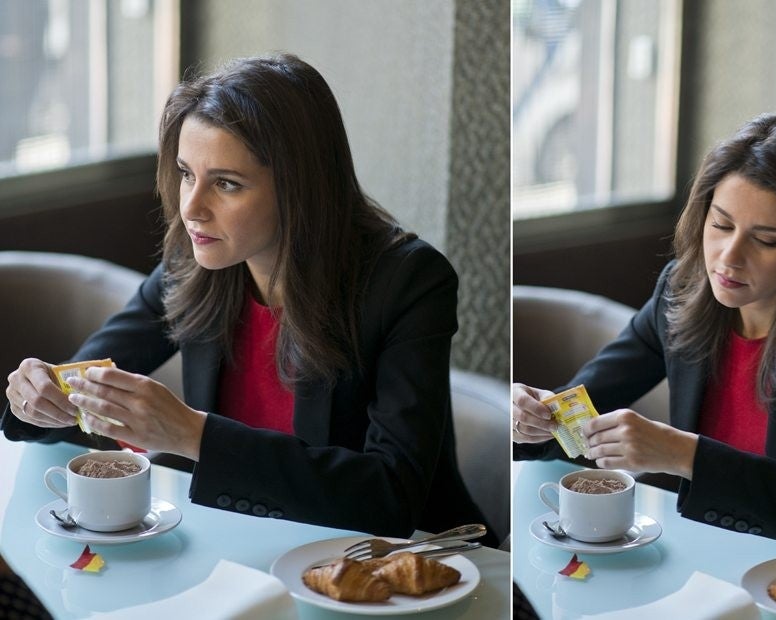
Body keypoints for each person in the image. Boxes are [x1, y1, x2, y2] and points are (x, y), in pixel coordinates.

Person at [2, 53, 493, 544]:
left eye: (226, 184)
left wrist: (192, 434)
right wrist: (38, 399)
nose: (191, 208)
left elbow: (390, 498)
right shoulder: (195, 260)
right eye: (186, 173)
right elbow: (79, 385)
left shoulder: (409, 281)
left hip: (411, 562)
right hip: (250, 546)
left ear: (300, 187)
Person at [513, 113, 776, 561]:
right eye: (720, 225)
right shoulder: (681, 289)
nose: (728, 258)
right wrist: (529, 418)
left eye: (767, 240)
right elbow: (570, 416)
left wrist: (686, 455)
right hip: (724, 561)